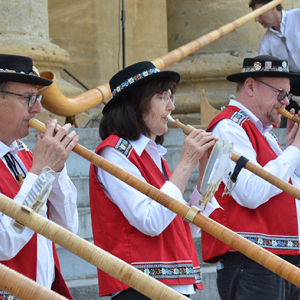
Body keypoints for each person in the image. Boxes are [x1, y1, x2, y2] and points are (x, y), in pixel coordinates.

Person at [89, 61, 220, 299]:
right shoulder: (113, 153)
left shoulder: (152, 156)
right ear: (136, 103)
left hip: (173, 283)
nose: (172, 106)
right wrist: (186, 163)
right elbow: (151, 222)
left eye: (172, 96)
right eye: (163, 97)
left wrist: (204, 172)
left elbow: (182, 224)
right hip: (141, 287)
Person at [201, 55, 300, 300]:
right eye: (280, 93)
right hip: (253, 260)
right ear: (251, 86)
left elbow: (289, 188)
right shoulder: (228, 126)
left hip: (279, 256)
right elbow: (250, 192)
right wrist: (294, 150)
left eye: (288, 95)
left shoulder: (263, 132)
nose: (286, 102)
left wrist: (293, 153)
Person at [0, 54, 79, 300]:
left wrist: (56, 166)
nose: (38, 109)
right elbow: (4, 244)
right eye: (28, 98)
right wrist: (41, 171)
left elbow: (66, 230)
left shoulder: (24, 154)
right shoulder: (33, 163)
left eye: (38, 98)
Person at [249, 0, 300, 111]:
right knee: (272, 87)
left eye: (259, 14)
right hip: (293, 80)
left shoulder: (298, 16)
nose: (256, 19)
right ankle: (296, 116)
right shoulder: (265, 43)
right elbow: (263, 73)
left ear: (272, 7)